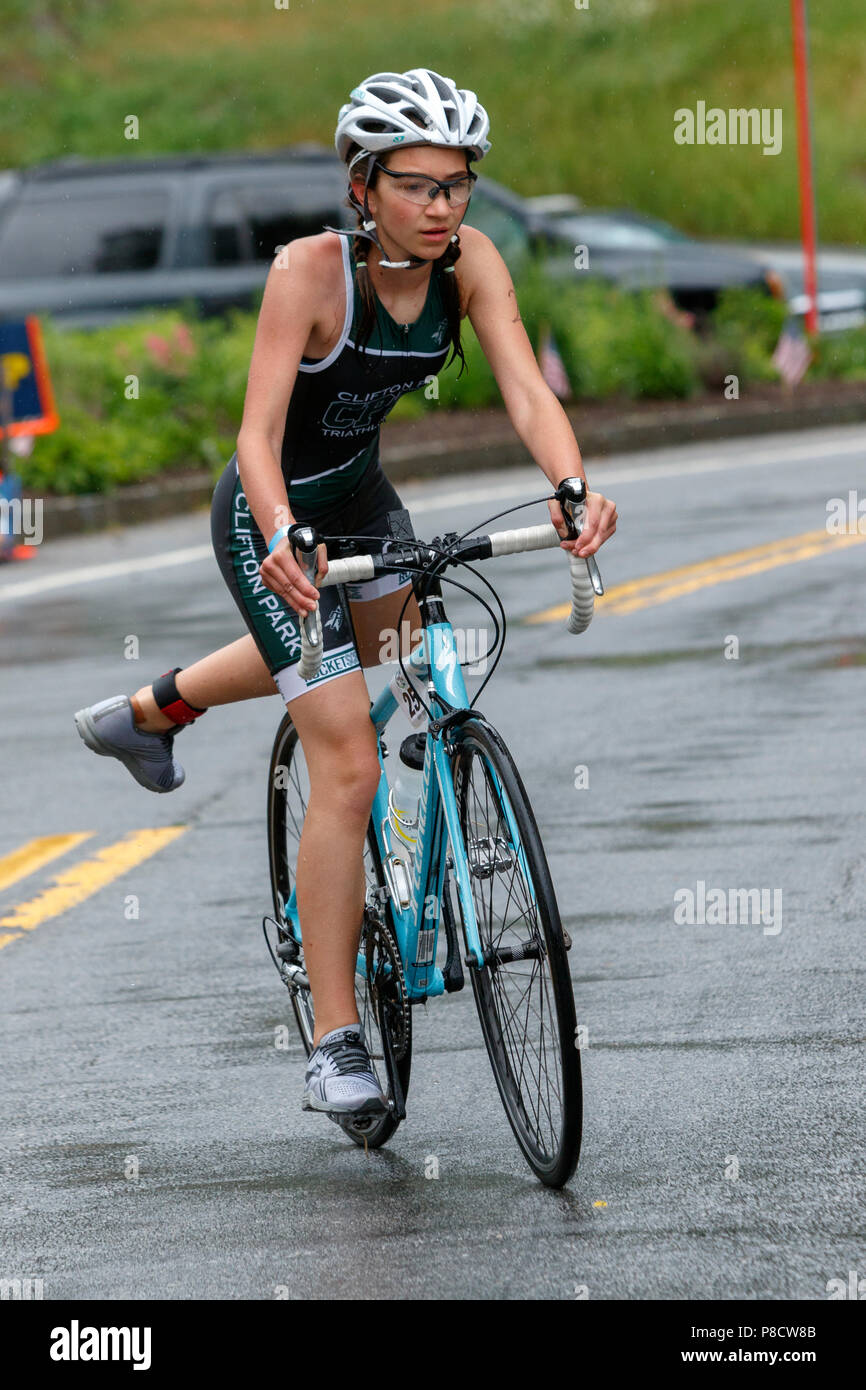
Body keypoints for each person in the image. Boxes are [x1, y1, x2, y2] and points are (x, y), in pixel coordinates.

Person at [74, 68, 618, 1122]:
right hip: (270, 516)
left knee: (399, 641)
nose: (441, 205)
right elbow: (251, 432)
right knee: (349, 760)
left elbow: (521, 385)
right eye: (417, 184)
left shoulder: (471, 265)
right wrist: (277, 532)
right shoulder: (310, 273)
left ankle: (155, 708)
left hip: (362, 499)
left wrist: (571, 487)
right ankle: (332, 1041)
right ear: (362, 187)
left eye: (458, 183)